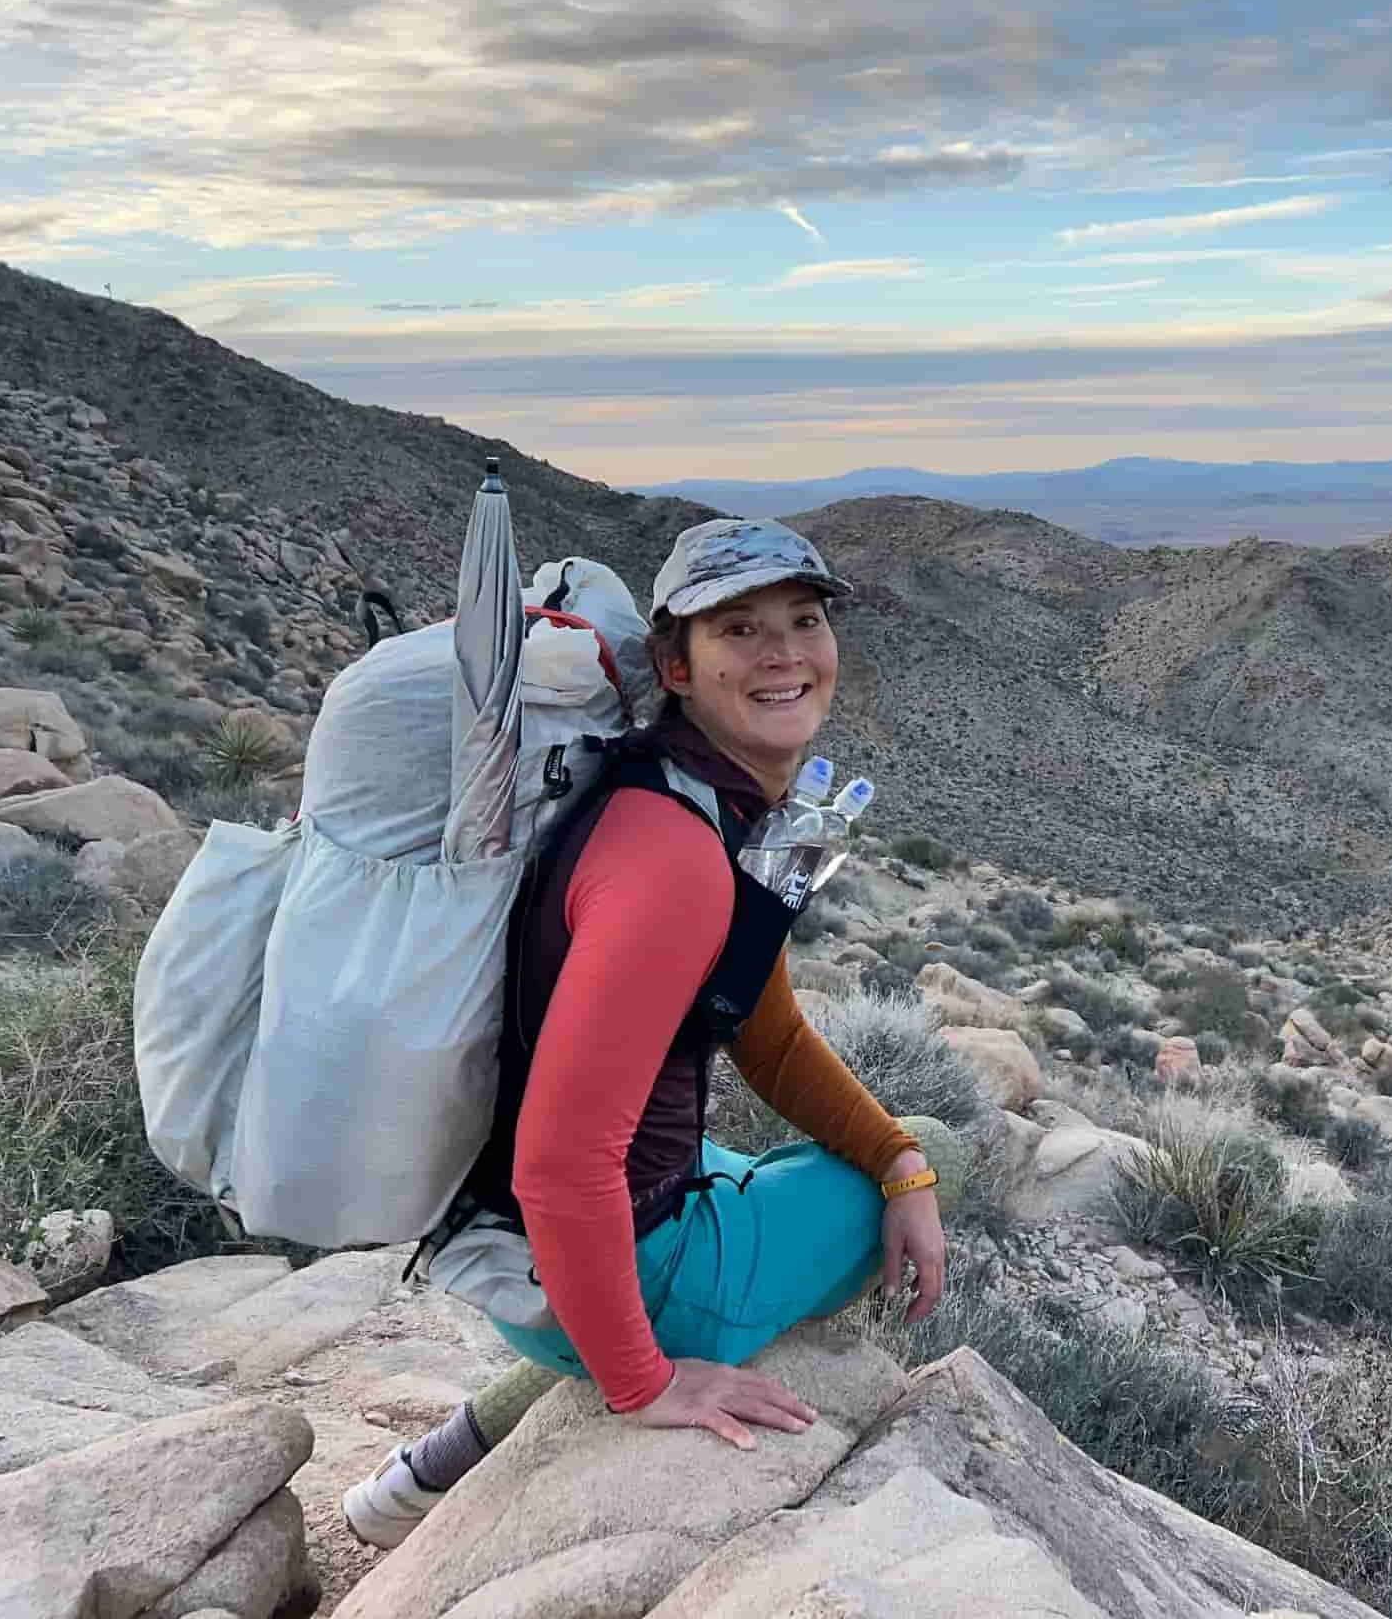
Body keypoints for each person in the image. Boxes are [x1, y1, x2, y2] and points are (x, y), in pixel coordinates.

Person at [344, 517, 955, 1547]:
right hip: (620, 1265)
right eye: (739, 631)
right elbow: (562, 1160)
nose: (783, 654)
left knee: (884, 1156)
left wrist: (894, 1157)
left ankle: (431, 1468)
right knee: (948, 1149)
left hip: (519, 1237)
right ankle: (597, 1367)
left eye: (803, 621)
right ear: (675, 664)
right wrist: (643, 1382)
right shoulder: (675, 858)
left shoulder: (666, 790)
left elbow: (764, 1039)